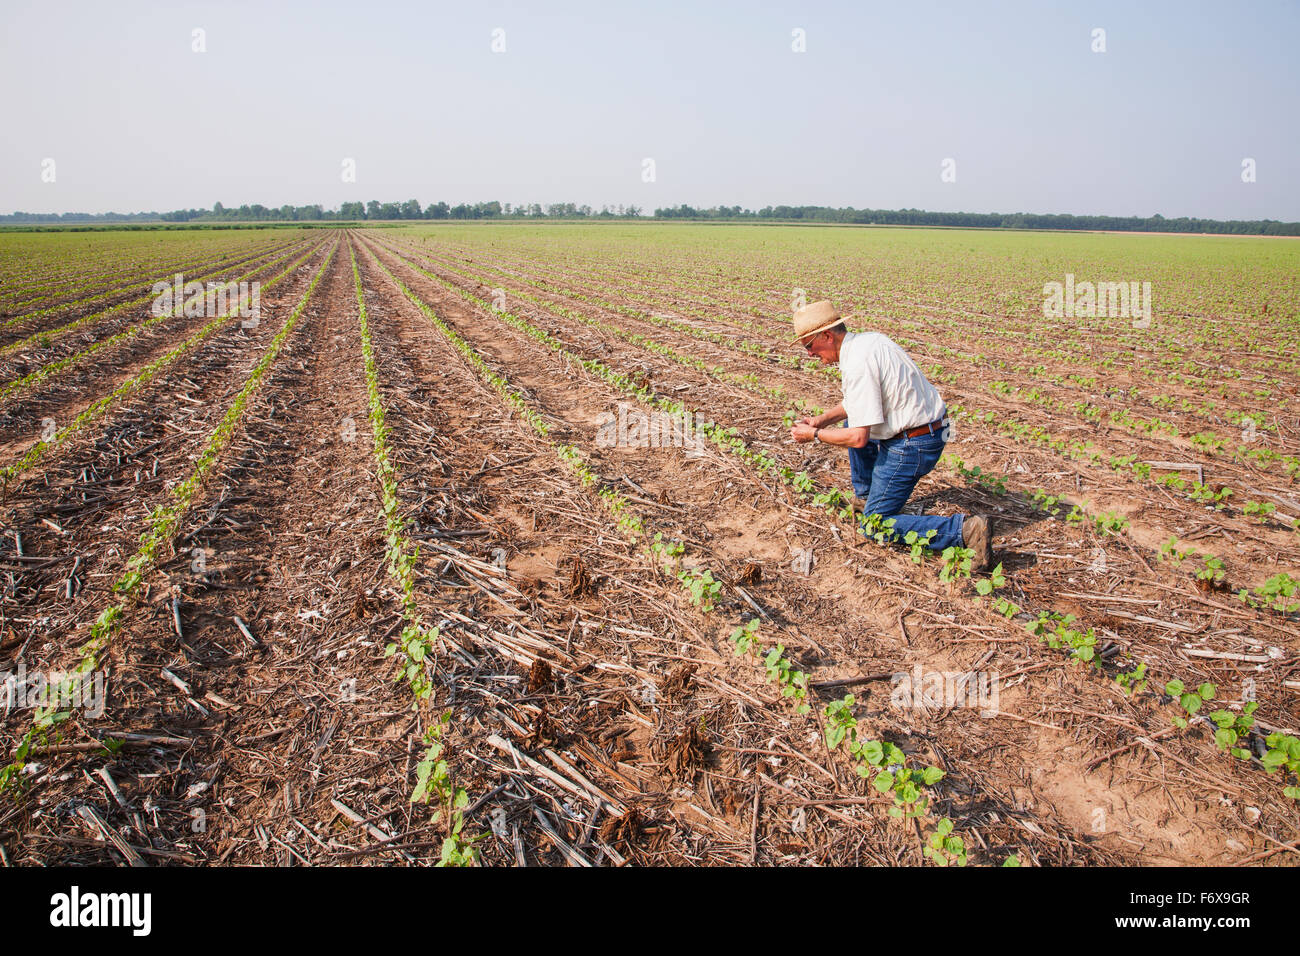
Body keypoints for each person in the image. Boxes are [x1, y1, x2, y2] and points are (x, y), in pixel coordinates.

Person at [786, 300, 992, 570]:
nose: (810, 354)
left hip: (915, 443)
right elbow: (858, 405)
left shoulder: (857, 363)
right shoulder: (867, 343)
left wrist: (814, 434)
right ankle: (868, 496)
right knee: (853, 418)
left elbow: (858, 438)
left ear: (826, 335)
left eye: (809, 346)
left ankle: (964, 532)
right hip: (929, 429)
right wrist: (821, 420)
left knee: (874, 526)